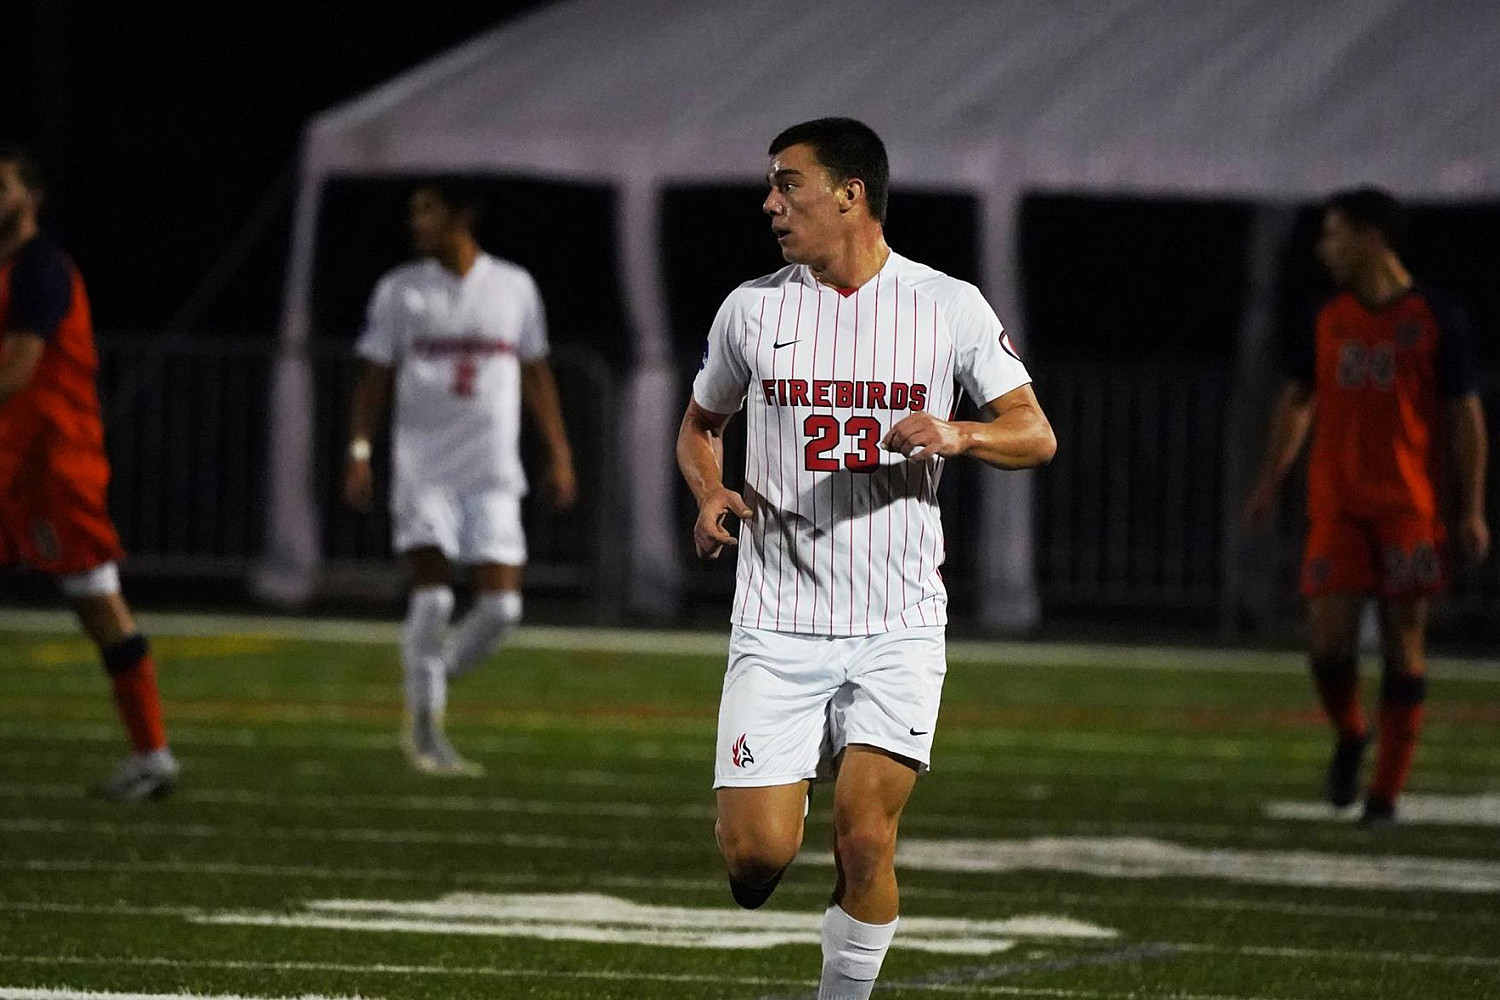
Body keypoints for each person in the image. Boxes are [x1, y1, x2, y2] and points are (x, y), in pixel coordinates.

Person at [677, 118, 1055, 999]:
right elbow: (702, 426)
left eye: (788, 183)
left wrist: (957, 432)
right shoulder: (753, 309)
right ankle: (780, 803)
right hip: (777, 619)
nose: (771, 203)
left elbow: (1034, 434)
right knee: (755, 861)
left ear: (851, 194)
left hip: (898, 623)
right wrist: (709, 491)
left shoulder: (947, 305)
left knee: (864, 839)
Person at [1244, 187, 1489, 827]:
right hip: (1338, 507)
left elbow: (1465, 415)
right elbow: (1299, 401)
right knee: (1327, 640)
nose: (1326, 248)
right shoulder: (1326, 317)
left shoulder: (1437, 317)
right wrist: (1271, 481)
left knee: (1406, 645)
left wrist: (1472, 508)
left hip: (1410, 509)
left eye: (1335, 234)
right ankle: (1352, 734)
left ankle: (1383, 797)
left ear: (1372, 237)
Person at [343, 180, 576, 777]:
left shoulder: (513, 286)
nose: (416, 222)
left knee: (501, 608)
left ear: (461, 216)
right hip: (424, 470)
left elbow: (537, 372)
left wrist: (559, 453)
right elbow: (374, 377)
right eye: (413, 210)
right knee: (435, 594)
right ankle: (425, 733)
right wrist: (360, 450)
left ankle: (430, 676)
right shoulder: (401, 290)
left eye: (427, 210)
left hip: (492, 470)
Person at [0, 144, 179, 801]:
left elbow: (18, 371)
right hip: (15, 458)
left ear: (32, 197)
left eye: (2, 186)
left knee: (97, 600)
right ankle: (152, 755)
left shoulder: (42, 269)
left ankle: (154, 754)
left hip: (53, 462)